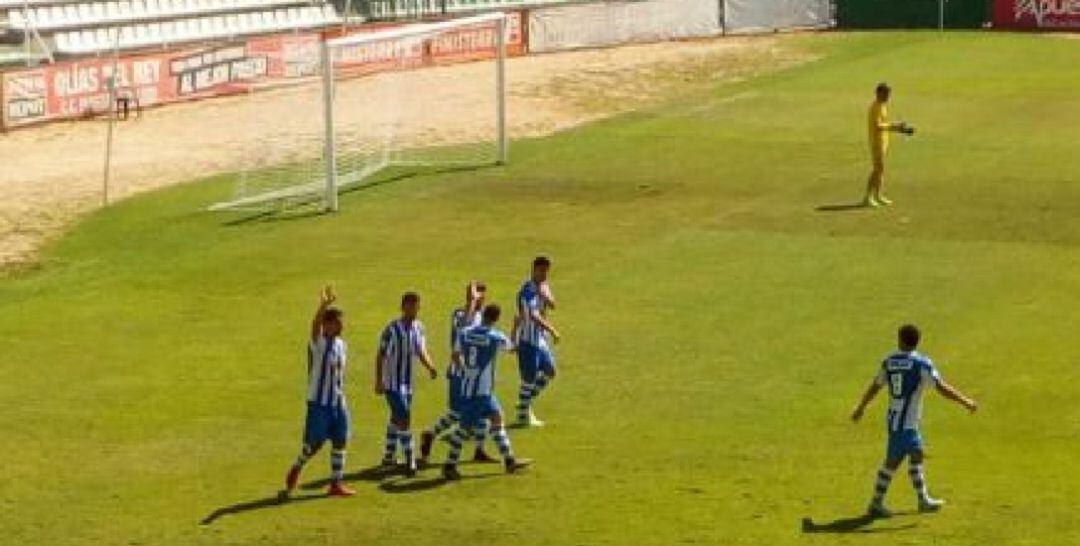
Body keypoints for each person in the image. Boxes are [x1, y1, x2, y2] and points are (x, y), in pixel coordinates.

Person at [850, 324, 978, 518]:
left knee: (907, 457)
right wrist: (965, 401)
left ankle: (892, 502)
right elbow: (941, 387)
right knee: (906, 456)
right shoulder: (921, 364)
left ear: (900, 340)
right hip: (905, 423)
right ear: (917, 342)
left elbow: (875, 386)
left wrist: (861, 407)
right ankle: (906, 501)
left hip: (896, 420)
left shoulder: (889, 361)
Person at [443, 304, 532, 480]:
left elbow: (455, 354)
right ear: (496, 319)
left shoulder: (465, 332)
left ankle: (509, 461)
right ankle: (449, 465)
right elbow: (513, 348)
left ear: (483, 314)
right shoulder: (495, 336)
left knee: (497, 418)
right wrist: (516, 325)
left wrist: (464, 370)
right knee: (463, 430)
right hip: (480, 392)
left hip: (472, 388)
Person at [283, 286, 355, 497]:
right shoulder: (319, 343)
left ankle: (336, 483)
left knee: (341, 440)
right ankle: (297, 465)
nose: (342, 326)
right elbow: (314, 326)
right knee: (314, 444)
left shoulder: (342, 345)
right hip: (318, 403)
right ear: (327, 324)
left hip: (337, 401)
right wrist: (323, 305)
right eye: (338, 322)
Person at [419, 281, 496, 466]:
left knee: (479, 412)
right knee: (459, 413)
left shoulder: (482, 317)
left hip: (476, 376)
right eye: (477, 295)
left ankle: (478, 449)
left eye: (482, 296)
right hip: (460, 374)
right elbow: (463, 329)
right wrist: (471, 302)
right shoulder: (460, 314)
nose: (480, 299)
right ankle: (432, 434)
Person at [376, 292, 438, 476]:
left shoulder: (419, 327)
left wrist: (430, 366)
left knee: (397, 418)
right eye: (410, 306)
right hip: (391, 384)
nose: (413, 310)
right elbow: (380, 355)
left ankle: (388, 456)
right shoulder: (391, 330)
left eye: (416, 306)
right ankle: (410, 459)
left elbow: (421, 350)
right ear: (403, 307)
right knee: (404, 417)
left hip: (407, 383)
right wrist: (379, 380)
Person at [514, 256, 561, 427]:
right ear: (533, 269)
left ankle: (524, 404)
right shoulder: (527, 291)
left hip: (539, 339)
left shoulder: (543, 286)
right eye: (541, 271)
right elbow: (534, 316)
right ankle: (523, 415)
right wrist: (552, 330)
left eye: (546, 271)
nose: (544, 274)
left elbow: (553, 304)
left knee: (550, 371)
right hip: (528, 340)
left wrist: (544, 293)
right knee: (529, 379)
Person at [865, 83, 915, 207]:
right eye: (886, 94)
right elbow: (878, 126)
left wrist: (898, 127)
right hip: (877, 143)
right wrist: (894, 126)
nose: (888, 96)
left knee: (881, 170)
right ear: (878, 93)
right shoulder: (875, 107)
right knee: (877, 170)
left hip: (883, 142)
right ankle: (868, 197)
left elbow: (884, 123)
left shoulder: (882, 106)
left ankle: (878, 195)